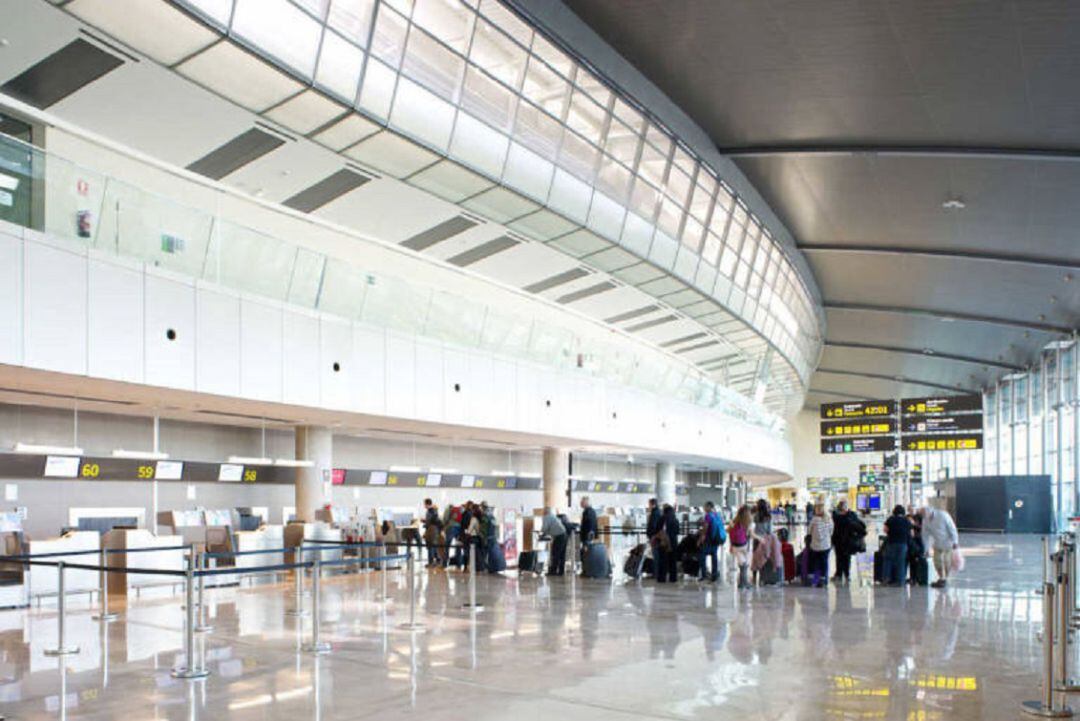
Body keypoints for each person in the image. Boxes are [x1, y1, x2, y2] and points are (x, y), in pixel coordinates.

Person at [921, 506, 959, 588]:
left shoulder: (943, 515)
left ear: (930, 512)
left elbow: (952, 528)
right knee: (937, 561)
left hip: (948, 543)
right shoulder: (925, 520)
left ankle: (946, 579)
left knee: (947, 561)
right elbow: (925, 535)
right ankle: (941, 578)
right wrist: (926, 549)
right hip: (937, 543)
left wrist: (955, 541)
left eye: (924, 514)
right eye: (922, 515)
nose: (923, 516)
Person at [831, 500, 866, 585]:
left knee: (839, 558)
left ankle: (839, 574)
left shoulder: (836, 517)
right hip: (848, 541)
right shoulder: (852, 516)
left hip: (839, 541)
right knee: (847, 558)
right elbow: (862, 526)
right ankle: (847, 575)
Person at [882, 505, 912, 586]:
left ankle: (886, 579)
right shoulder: (906, 520)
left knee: (888, 561)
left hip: (891, 543)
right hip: (903, 544)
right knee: (901, 562)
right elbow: (911, 532)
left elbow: (885, 529)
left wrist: (890, 532)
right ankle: (900, 581)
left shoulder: (891, 519)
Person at [808, 503, 833, 588]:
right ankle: (824, 580)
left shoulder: (814, 520)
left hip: (815, 546)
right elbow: (831, 532)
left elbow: (809, 532)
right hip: (826, 545)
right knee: (825, 563)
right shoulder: (829, 519)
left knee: (816, 563)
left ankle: (816, 580)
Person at [698, 501, 724, 583]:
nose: (704, 508)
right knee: (714, 556)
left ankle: (704, 575)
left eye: (705, 507)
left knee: (702, 555)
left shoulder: (708, 516)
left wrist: (701, 537)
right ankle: (714, 574)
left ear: (709, 507)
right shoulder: (717, 515)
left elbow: (706, 528)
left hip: (708, 539)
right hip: (716, 539)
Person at [729, 505, 752, 589]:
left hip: (736, 546)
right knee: (744, 565)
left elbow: (730, 534)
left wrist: (731, 545)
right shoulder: (748, 522)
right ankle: (744, 583)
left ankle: (742, 583)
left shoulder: (734, 522)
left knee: (742, 565)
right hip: (744, 545)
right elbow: (749, 534)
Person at [656, 503, 680, 583]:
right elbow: (677, 531)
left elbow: (658, 530)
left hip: (664, 542)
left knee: (663, 560)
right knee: (672, 561)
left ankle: (662, 578)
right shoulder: (675, 519)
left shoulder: (662, 519)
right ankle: (673, 578)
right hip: (673, 542)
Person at [541, 506, 568, 576]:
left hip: (559, 536)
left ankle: (553, 571)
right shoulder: (553, 516)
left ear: (545, 511)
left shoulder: (546, 517)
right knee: (562, 554)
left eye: (543, 511)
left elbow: (544, 528)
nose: (542, 512)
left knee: (555, 553)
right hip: (564, 534)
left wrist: (542, 534)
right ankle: (561, 571)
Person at [422, 498, 441, 568]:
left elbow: (430, 521)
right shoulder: (434, 510)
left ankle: (431, 562)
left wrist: (424, 523)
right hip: (434, 530)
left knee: (430, 546)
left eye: (424, 504)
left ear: (427, 504)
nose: (424, 505)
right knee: (434, 545)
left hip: (431, 530)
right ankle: (438, 560)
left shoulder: (430, 511)